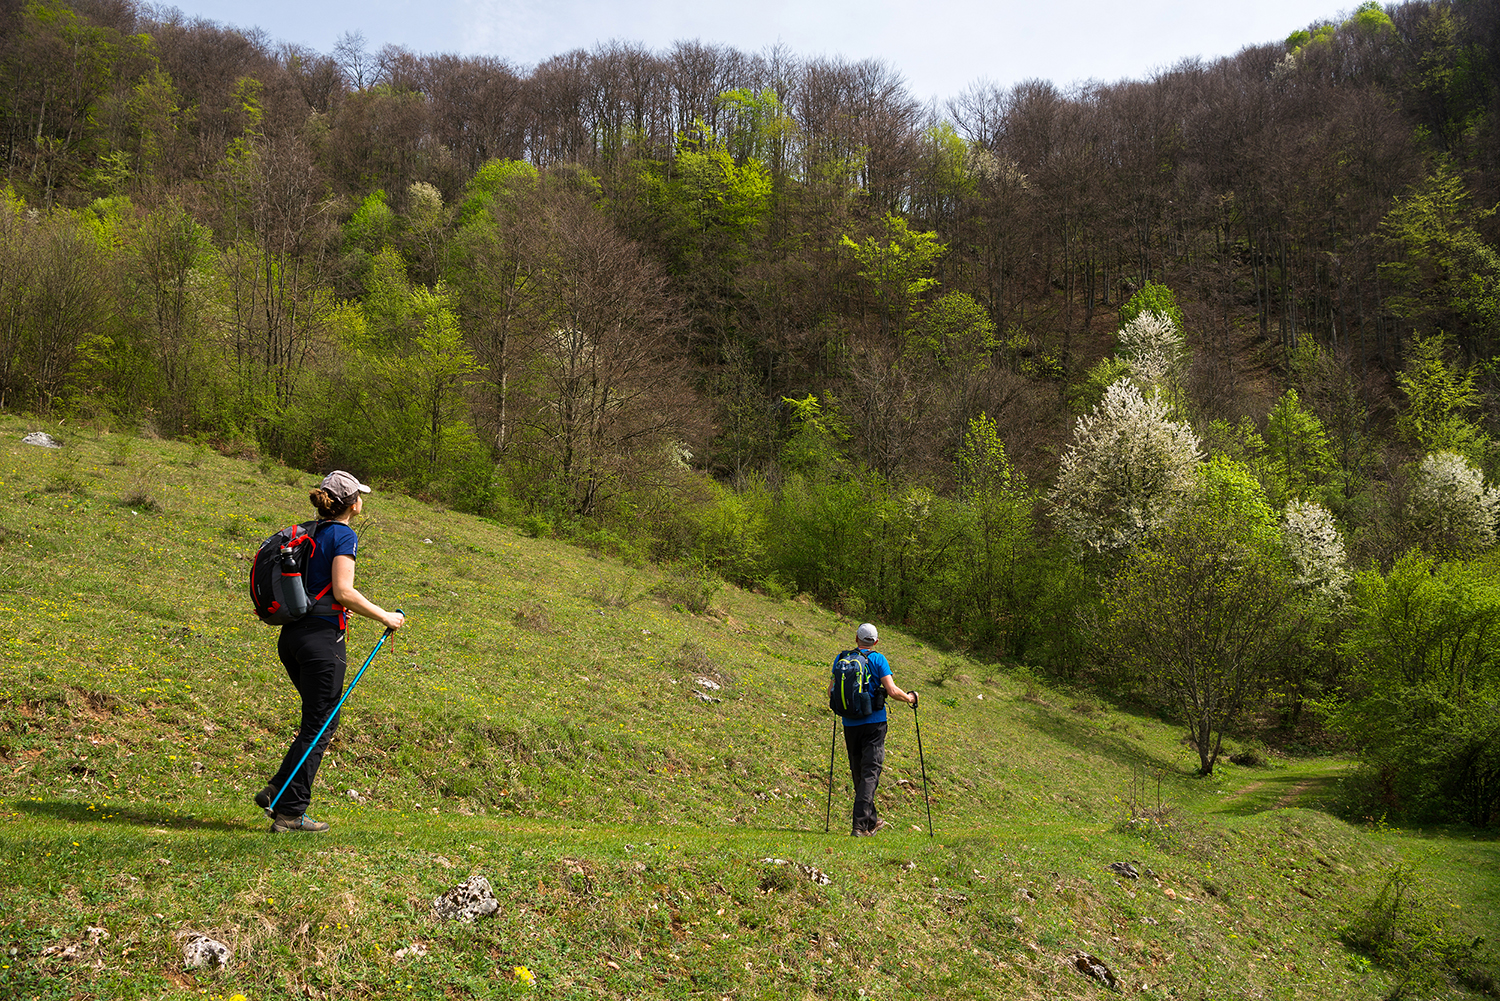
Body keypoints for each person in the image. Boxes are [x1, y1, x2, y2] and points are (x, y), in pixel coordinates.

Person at [256, 470, 405, 832]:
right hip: (322, 642)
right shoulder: (343, 534)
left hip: (291, 638)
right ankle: (290, 812)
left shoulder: (308, 532)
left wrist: (335, 605)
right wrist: (387, 616)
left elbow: (316, 589)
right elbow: (343, 590)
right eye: (360, 496)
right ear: (352, 503)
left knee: (317, 722)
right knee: (320, 725)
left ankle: (277, 792)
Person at [829, 622, 916, 836]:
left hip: (850, 724)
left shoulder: (842, 658)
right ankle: (859, 827)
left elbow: (831, 691)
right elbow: (892, 690)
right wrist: (910, 698)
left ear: (856, 638)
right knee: (871, 773)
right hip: (875, 724)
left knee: (859, 773)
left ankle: (870, 822)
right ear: (876, 641)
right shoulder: (878, 659)